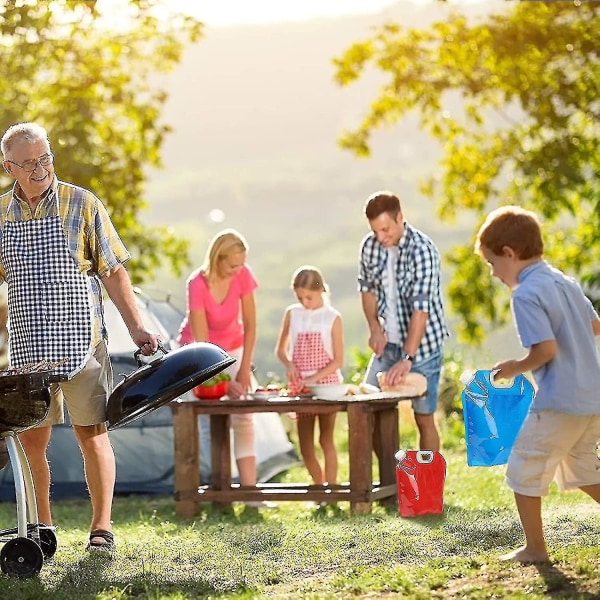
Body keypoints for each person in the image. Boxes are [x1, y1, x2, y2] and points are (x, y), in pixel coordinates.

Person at [0, 122, 161, 553]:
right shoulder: (0, 215)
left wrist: (138, 326)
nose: (40, 168)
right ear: (8, 166)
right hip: (28, 349)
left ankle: (101, 529)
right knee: (32, 440)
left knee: (92, 433)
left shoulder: (81, 202)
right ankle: (42, 528)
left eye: (45, 158)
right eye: (29, 162)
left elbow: (113, 271)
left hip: (80, 342)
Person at [474, 205, 600, 563]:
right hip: (593, 396)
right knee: (583, 467)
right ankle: (534, 548)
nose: (494, 273)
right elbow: (594, 327)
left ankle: (535, 549)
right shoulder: (565, 282)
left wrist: (515, 367)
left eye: (492, 263)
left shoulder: (526, 294)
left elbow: (545, 349)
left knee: (523, 465)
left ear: (509, 255)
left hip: (561, 401)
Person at [358, 191, 450, 452]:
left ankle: (429, 491)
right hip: (389, 344)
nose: (381, 237)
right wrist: (375, 329)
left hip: (423, 348)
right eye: (376, 231)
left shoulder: (422, 250)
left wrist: (407, 359)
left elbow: (422, 310)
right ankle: (392, 486)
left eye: (386, 229)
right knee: (370, 410)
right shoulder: (369, 246)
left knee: (423, 418)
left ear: (400, 218)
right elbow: (366, 289)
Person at [177, 228, 258, 488]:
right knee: (207, 418)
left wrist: (244, 371)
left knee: (243, 416)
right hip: (199, 354)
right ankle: (216, 489)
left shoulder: (243, 275)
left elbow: (251, 325)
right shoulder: (197, 284)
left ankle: (250, 491)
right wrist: (223, 382)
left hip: (233, 349)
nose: (238, 271)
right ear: (217, 259)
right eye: (233, 265)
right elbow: (203, 346)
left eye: (241, 265)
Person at [275, 265, 343, 485]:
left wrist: (314, 379)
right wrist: (289, 365)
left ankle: (331, 491)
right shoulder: (292, 313)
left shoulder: (332, 317)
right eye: (300, 297)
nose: (305, 302)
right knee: (305, 446)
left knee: (326, 440)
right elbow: (281, 349)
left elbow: (338, 361)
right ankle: (319, 487)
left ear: (322, 290)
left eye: (309, 297)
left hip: (327, 386)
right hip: (300, 387)